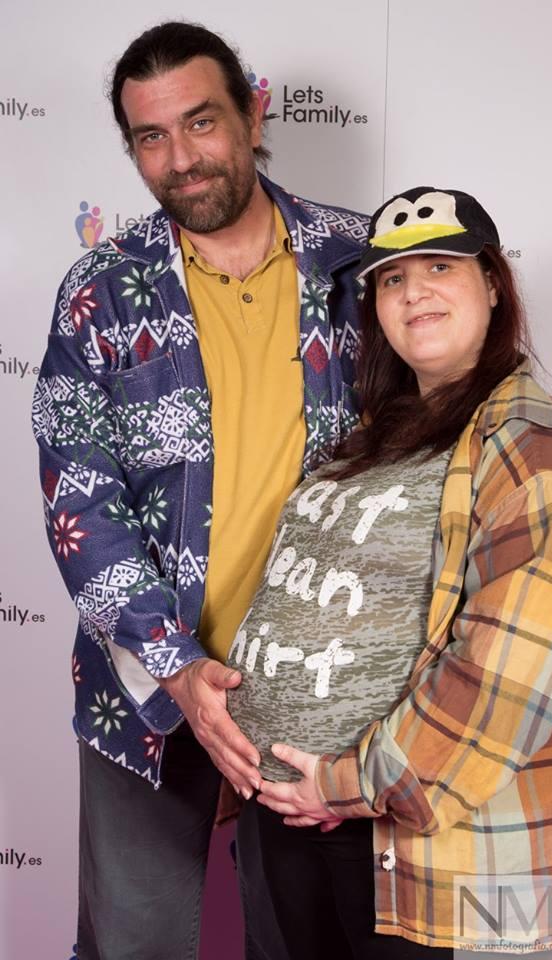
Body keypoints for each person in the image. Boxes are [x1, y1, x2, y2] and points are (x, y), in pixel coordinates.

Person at [32, 20, 368, 960]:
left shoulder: (356, 264)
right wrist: (179, 672)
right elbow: (79, 502)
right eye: (151, 137)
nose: (181, 160)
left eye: (201, 123)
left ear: (253, 112)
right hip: (147, 690)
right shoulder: (101, 292)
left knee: (313, 944)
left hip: (324, 693)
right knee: (136, 946)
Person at [226, 186, 552, 957]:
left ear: (492, 284)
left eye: (439, 266)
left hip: (434, 846)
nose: (414, 292)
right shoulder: (376, 433)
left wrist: (347, 784)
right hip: (295, 825)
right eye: (392, 278)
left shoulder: (531, 447)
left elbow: (515, 672)